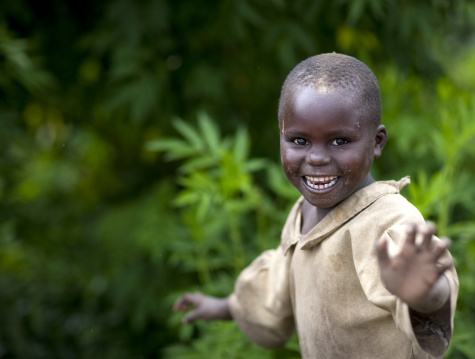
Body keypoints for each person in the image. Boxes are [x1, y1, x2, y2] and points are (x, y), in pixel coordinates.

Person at [173, 53, 459, 358]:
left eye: (339, 141)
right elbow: (280, 281)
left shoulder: (388, 221)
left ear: (376, 142)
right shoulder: (303, 212)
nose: (317, 158)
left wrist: (426, 296)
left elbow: (432, 286)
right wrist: (226, 306)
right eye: (299, 141)